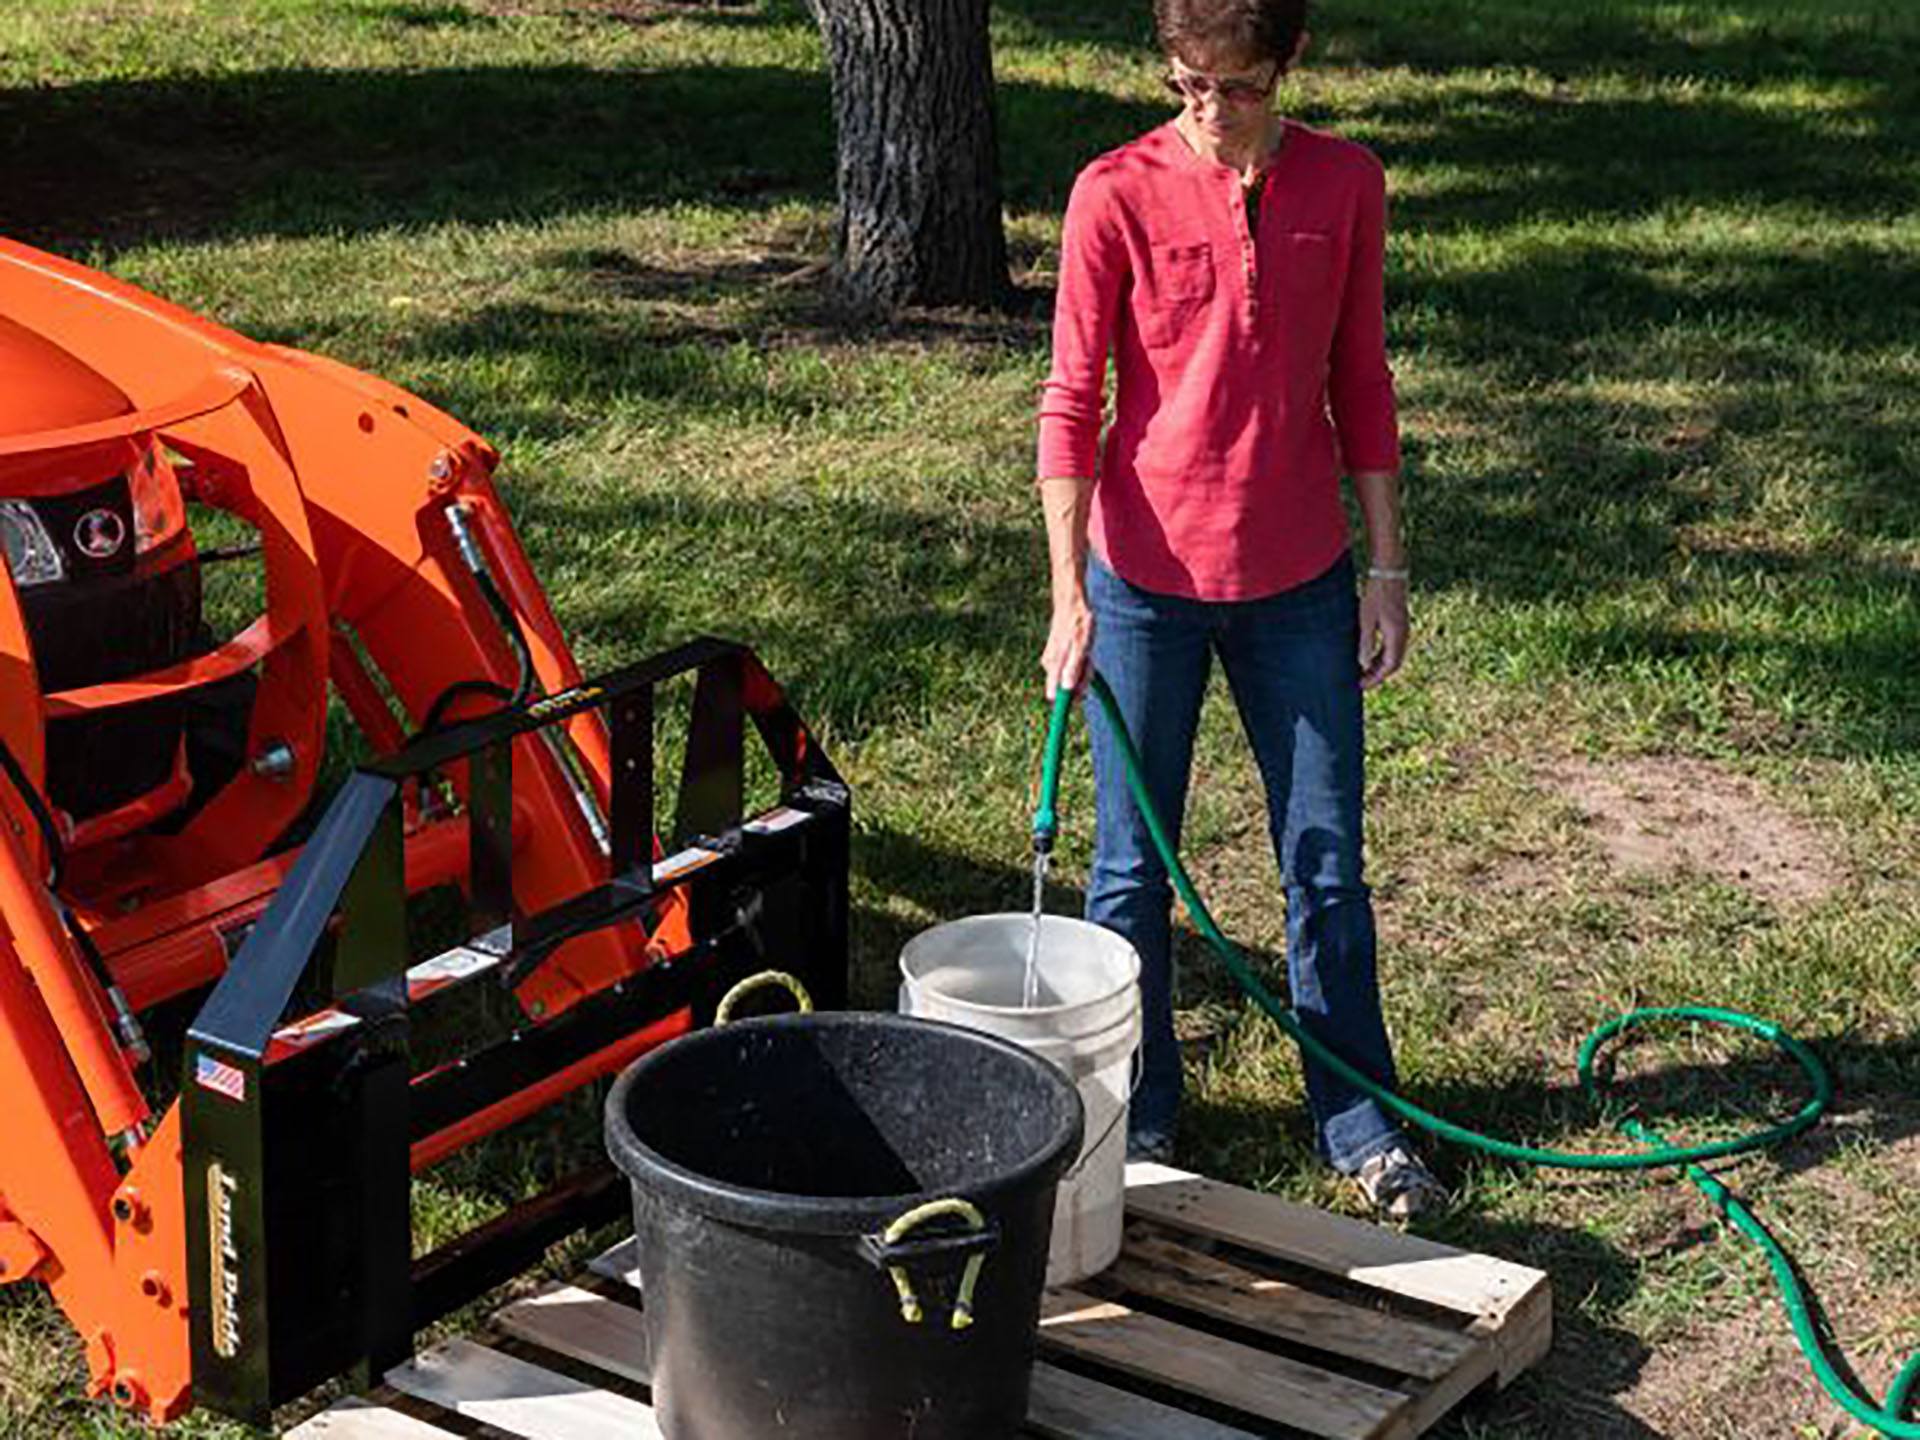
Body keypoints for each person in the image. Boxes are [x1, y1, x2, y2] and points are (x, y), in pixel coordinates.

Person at [1035, 0, 1444, 1218]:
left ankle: (1362, 1121)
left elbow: (1359, 378)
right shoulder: (1112, 190)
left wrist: (1385, 570)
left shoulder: (1347, 183)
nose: (1213, 110)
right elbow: (1070, 396)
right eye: (1187, 84)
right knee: (1125, 877)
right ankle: (1138, 1113)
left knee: (1324, 863)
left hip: (1302, 583)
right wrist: (1068, 594)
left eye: (1241, 85)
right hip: (1143, 582)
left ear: (1289, 64)